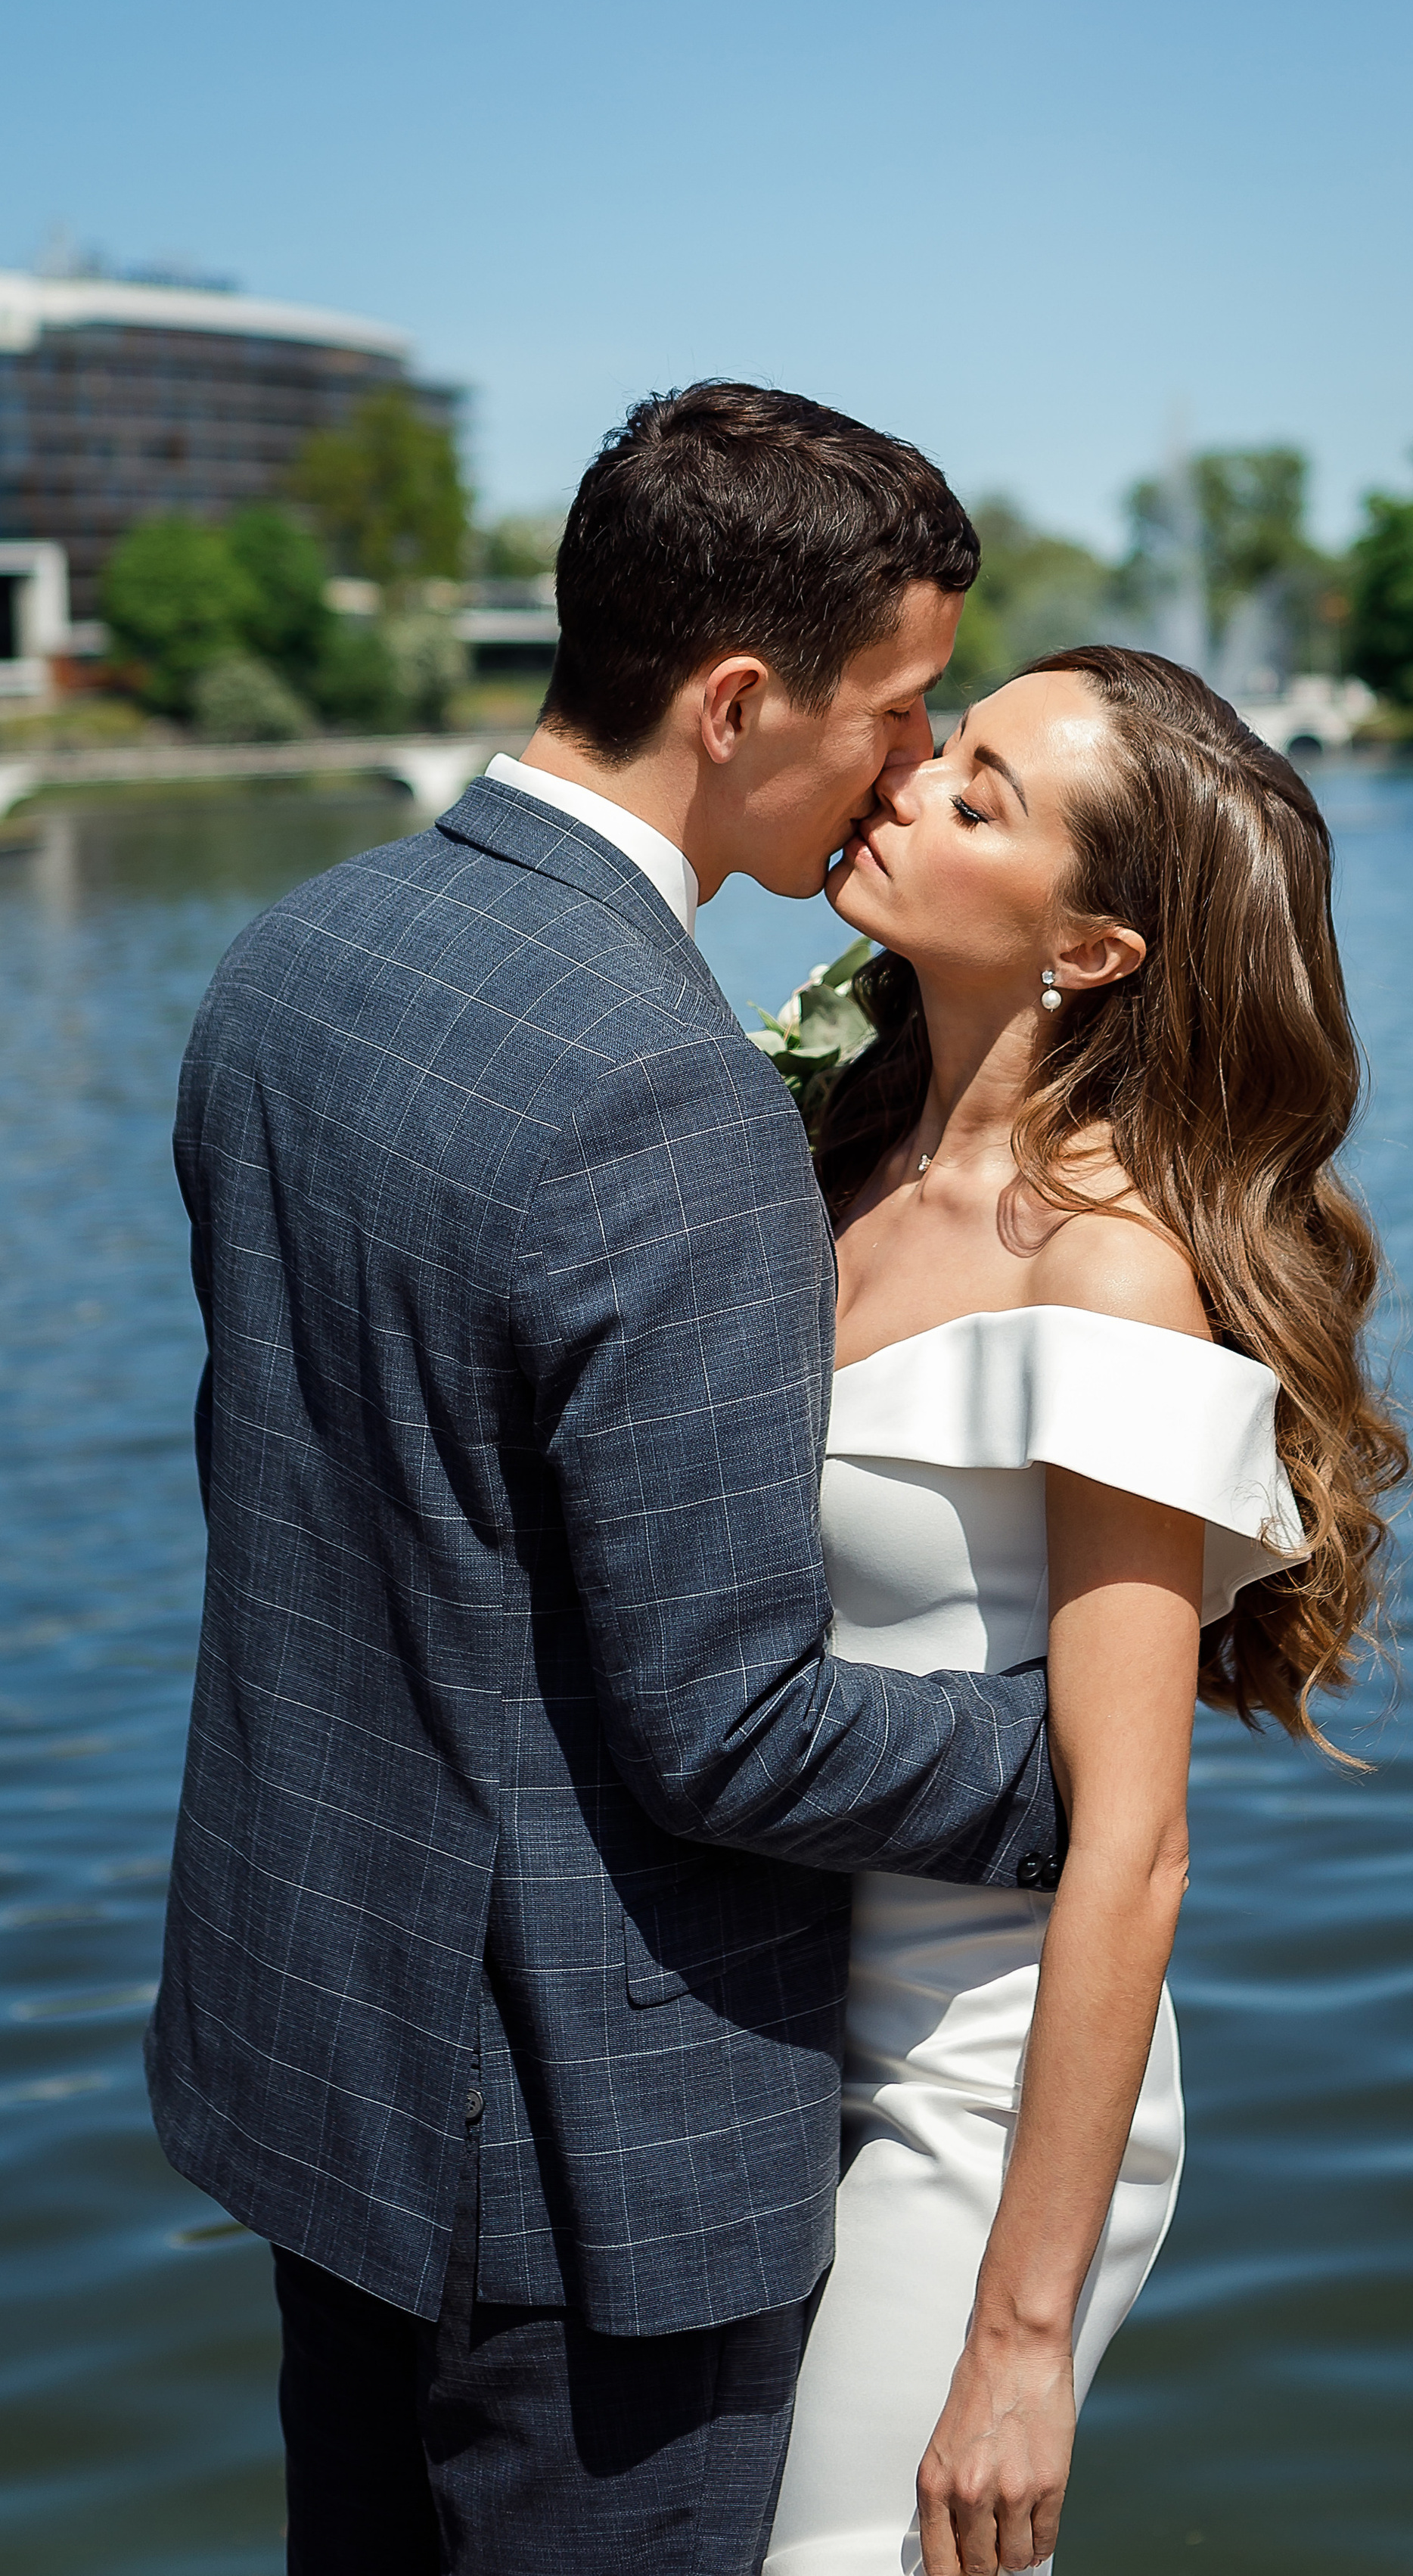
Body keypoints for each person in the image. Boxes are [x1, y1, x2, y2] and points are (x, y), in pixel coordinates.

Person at [145, 384, 1069, 2575]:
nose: (914, 770)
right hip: (585, 2157)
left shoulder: (291, 962)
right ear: (739, 700)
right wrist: (1072, 1771)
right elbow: (720, 1722)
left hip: (323, 2062)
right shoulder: (668, 1093)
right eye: (899, 709)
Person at [764, 649, 1407, 2576]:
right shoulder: (828, 1155)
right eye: (937, 745)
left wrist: (1020, 2339)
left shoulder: (1109, 1275)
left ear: (1096, 947)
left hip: (983, 2083)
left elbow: (1130, 1846)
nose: (900, 783)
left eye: (977, 797)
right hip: (767, 2029)